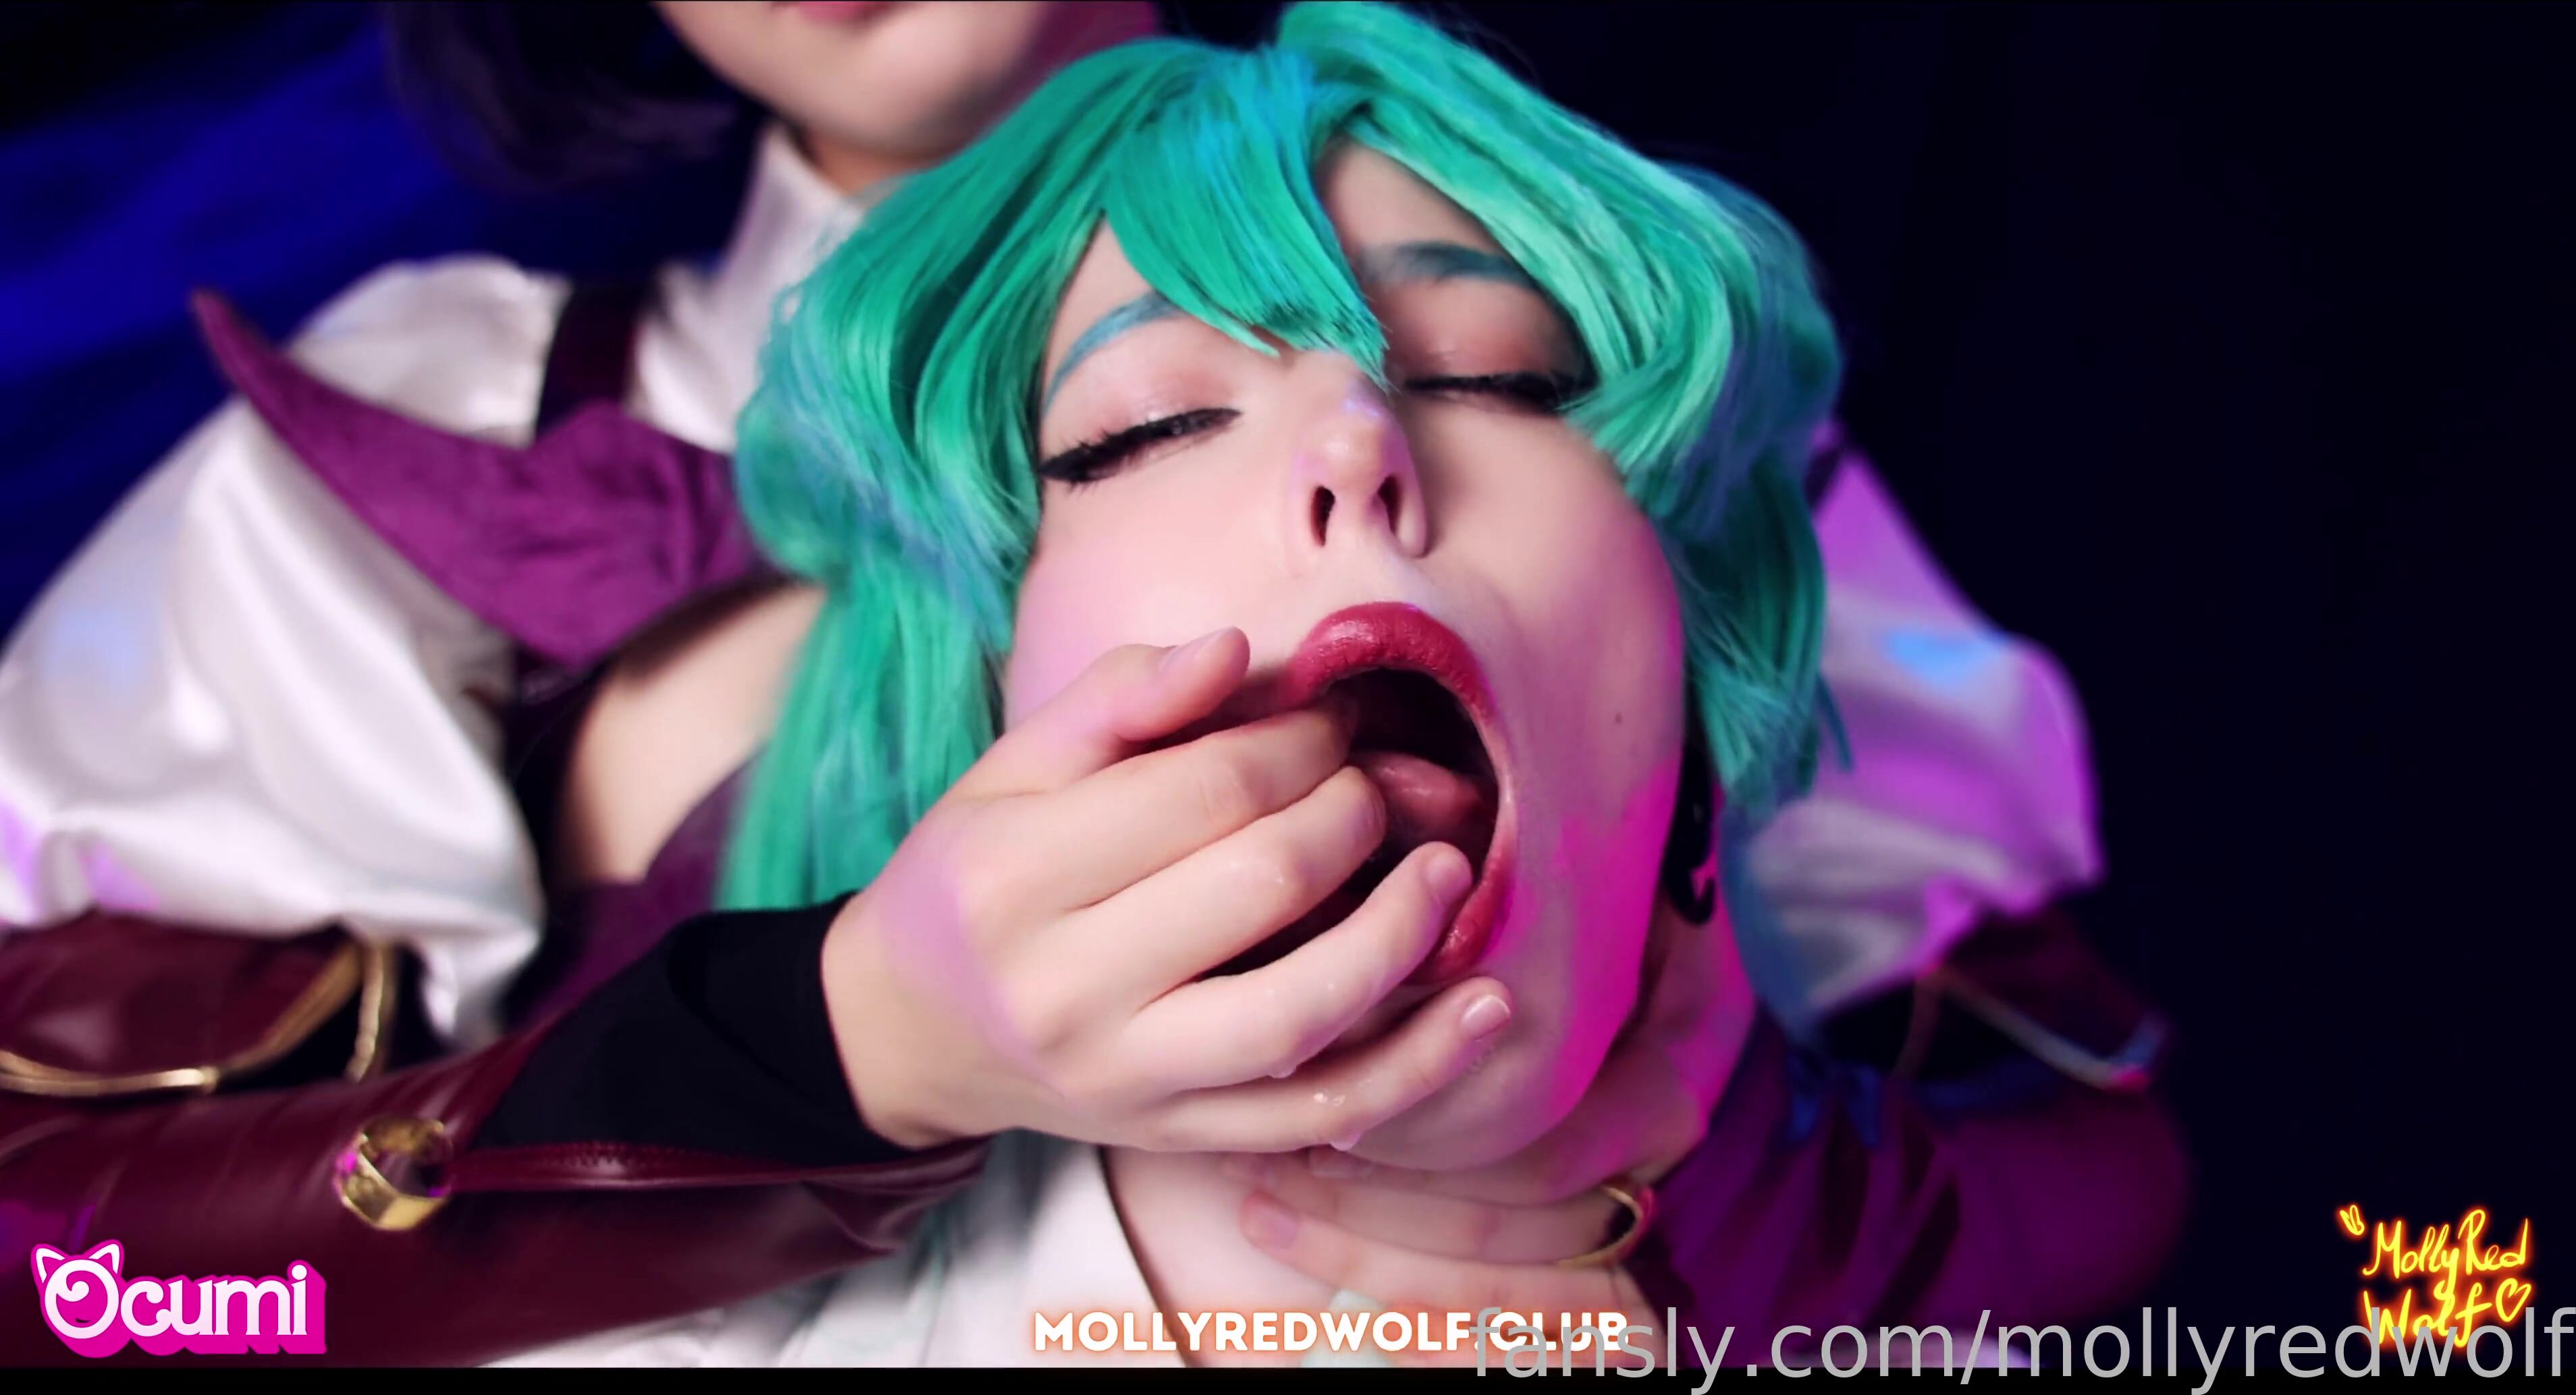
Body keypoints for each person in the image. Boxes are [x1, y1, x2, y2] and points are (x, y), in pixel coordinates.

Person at [0, 1, 2176, 1367]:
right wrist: (824, 1055)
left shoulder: (1659, 398)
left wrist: (1739, 1187)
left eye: (1489, 374)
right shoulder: (407, 464)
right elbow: (67, 1276)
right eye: (1141, 427)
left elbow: (2104, 1177)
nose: (1355, 453)